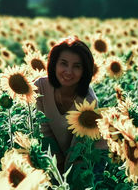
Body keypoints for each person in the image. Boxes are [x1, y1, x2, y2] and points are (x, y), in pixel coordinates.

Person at [35, 35, 103, 174]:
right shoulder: (40, 87)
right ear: (54, 64)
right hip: (51, 159)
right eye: (63, 63)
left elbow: (79, 148)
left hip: (88, 163)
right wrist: (56, 165)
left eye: (77, 66)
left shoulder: (88, 102)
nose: (69, 72)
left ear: (85, 71)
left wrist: (66, 179)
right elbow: (43, 131)